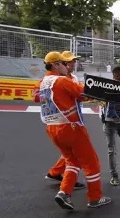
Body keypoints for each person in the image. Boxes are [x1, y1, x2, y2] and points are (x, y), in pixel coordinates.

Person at [37, 51, 111, 210]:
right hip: (71, 127)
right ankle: (95, 198)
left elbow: (36, 97)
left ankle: (64, 193)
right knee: (92, 163)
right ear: (56, 65)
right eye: (64, 63)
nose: (67, 66)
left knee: (72, 161)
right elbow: (83, 94)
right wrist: (101, 93)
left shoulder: (44, 82)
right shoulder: (62, 81)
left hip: (52, 129)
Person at [33, 51, 85, 190]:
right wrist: (55, 94)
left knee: (70, 153)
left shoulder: (73, 77)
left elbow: (80, 94)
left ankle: (55, 173)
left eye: (74, 61)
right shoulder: (51, 79)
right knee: (76, 153)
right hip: (61, 121)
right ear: (61, 64)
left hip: (75, 117)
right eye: (69, 62)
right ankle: (67, 185)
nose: (73, 64)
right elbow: (35, 95)